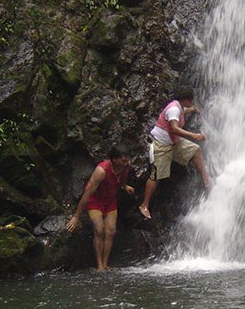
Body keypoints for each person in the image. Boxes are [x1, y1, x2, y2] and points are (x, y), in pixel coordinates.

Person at [139, 89, 213, 219]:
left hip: (174, 142)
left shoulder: (179, 107)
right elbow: (174, 128)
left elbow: (184, 111)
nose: (192, 102)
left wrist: (194, 109)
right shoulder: (173, 109)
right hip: (161, 144)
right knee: (156, 175)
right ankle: (144, 205)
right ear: (185, 99)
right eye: (191, 100)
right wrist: (194, 135)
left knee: (195, 150)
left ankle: (207, 180)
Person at [66, 146, 134, 270]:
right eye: (124, 161)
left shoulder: (125, 167)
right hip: (95, 201)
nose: (127, 163)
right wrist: (76, 217)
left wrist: (125, 187)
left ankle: (106, 263)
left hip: (110, 201)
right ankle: (99, 265)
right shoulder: (101, 171)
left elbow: (122, 179)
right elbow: (87, 194)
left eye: (128, 160)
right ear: (114, 160)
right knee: (99, 229)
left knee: (111, 231)